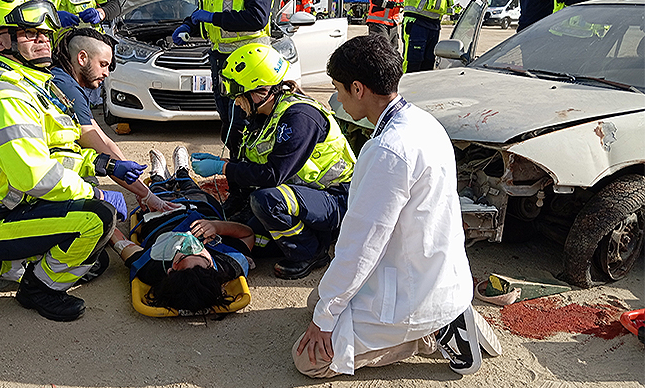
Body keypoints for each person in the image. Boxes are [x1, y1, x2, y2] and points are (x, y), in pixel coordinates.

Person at [293, 35, 478, 378]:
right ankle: (442, 315)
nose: (337, 98)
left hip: (410, 293)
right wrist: (327, 309)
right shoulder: (423, 122)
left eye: (339, 88)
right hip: (438, 273)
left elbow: (363, 244)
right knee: (316, 304)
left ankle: (427, 335)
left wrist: (326, 320)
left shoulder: (389, 151)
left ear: (359, 89)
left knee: (308, 359)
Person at [0, 0, 128, 322]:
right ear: (0, 42)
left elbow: (53, 153)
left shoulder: (26, 85)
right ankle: (38, 289)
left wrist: (101, 163)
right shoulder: (4, 97)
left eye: (45, 33)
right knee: (98, 219)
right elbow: (35, 176)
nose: (43, 41)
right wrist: (96, 192)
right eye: (31, 33)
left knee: (96, 261)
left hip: (3, 208)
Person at [190, 43, 355, 280]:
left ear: (260, 91)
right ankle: (309, 234)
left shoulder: (300, 118)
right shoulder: (266, 114)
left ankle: (310, 252)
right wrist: (225, 162)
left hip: (335, 198)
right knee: (253, 239)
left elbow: (272, 174)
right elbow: (258, 162)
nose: (236, 103)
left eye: (240, 96)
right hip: (305, 195)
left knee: (266, 201)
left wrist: (223, 168)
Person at [171, 0, 278, 154]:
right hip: (221, 62)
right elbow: (205, 13)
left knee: (247, 130)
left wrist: (210, 18)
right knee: (229, 128)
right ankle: (236, 180)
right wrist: (190, 25)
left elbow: (256, 18)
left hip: (250, 67)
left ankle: (246, 186)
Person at [109, 146, 254, 314]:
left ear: (171, 269)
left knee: (157, 192)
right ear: (212, 268)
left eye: (185, 254)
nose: (191, 244)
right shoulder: (228, 264)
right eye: (202, 255)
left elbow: (120, 242)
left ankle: (157, 176)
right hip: (201, 207)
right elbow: (248, 234)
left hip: (163, 214)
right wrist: (216, 226)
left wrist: (107, 213)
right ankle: (182, 173)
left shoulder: (152, 267)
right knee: (192, 189)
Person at [50, 27, 178, 213]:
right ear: (82, 58)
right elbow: (98, 147)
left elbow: (103, 138)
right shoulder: (66, 89)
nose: (107, 73)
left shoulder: (67, 82)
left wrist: (137, 184)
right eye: (103, 64)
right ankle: (120, 242)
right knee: (100, 208)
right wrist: (148, 197)